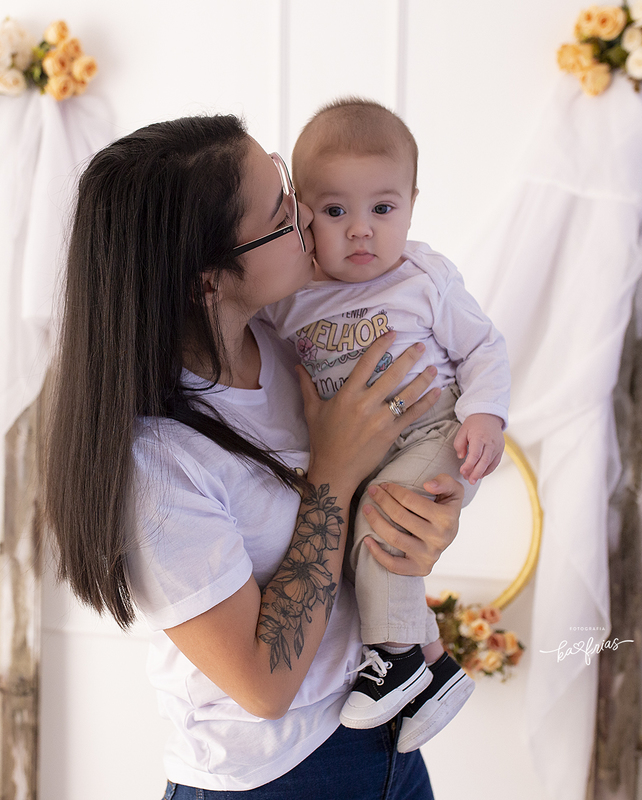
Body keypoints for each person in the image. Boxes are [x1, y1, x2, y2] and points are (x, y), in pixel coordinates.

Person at [41, 113, 465, 798]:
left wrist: (423, 524)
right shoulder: (158, 465)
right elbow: (264, 686)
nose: (308, 214)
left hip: (386, 734)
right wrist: (333, 471)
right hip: (273, 776)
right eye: (280, 211)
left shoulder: (292, 339)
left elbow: (388, 482)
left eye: (287, 185)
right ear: (206, 280)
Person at [259, 98, 510, 745]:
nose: (361, 230)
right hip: (364, 457)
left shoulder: (424, 277)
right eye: (336, 211)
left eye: (383, 208)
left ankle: (393, 659)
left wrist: (485, 414)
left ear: (412, 203)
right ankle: (434, 669)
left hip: (435, 434)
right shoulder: (291, 296)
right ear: (301, 214)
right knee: (348, 538)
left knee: (386, 517)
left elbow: (483, 347)